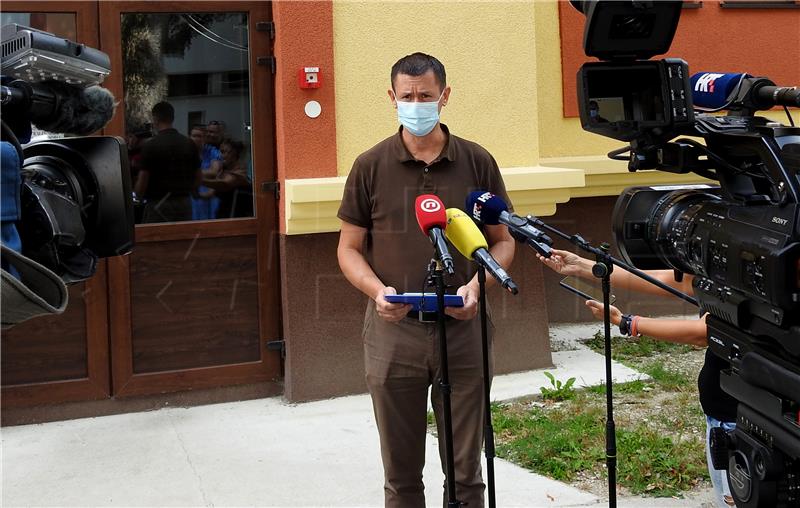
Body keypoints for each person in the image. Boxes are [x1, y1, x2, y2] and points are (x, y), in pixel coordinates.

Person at [336, 52, 515, 508]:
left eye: (426, 95)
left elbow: (503, 240)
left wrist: (480, 286)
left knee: (466, 474)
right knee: (400, 475)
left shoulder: (476, 161)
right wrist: (378, 292)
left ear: (445, 97)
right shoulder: (370, 165)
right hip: (394, 331)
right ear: (392, 98)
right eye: (407, 96)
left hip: (462, 330)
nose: (417, 104)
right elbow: (348, 248)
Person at [538, 248, 737, 508]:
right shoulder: (732, 269)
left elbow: (705, 333)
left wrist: (627, 322)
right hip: (723, 417)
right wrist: (584, 268)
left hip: (739, 423)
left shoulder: (759, 277)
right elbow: (672, 280)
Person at [134, 102, 201, 223]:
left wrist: (138, 196)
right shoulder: (189, 144)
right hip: (183, 204)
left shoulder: (150, 146)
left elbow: (142, 182)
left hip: (158, 205)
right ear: (173, 118)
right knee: (183, 239)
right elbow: (198, 177)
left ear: (155, 119)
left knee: (156, 240)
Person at [202, 138, 252, 219]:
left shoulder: (241, 171)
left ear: (234, 153)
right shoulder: (222, 171)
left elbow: (225, 184)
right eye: (220, 151)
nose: (221, 156)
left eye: (224, 152)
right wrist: (196, 193)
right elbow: (210, 193)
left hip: (239, 218)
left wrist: (200, 181)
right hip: (223, 216)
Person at [189, 124, 222, 220]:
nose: (196, 138)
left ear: (204, 138)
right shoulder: (187, 152)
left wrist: (192, 173)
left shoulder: (212, 151)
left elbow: (214, 171)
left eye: (199, 136)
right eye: (193, 135)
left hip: (209, 193)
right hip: (192, 194)